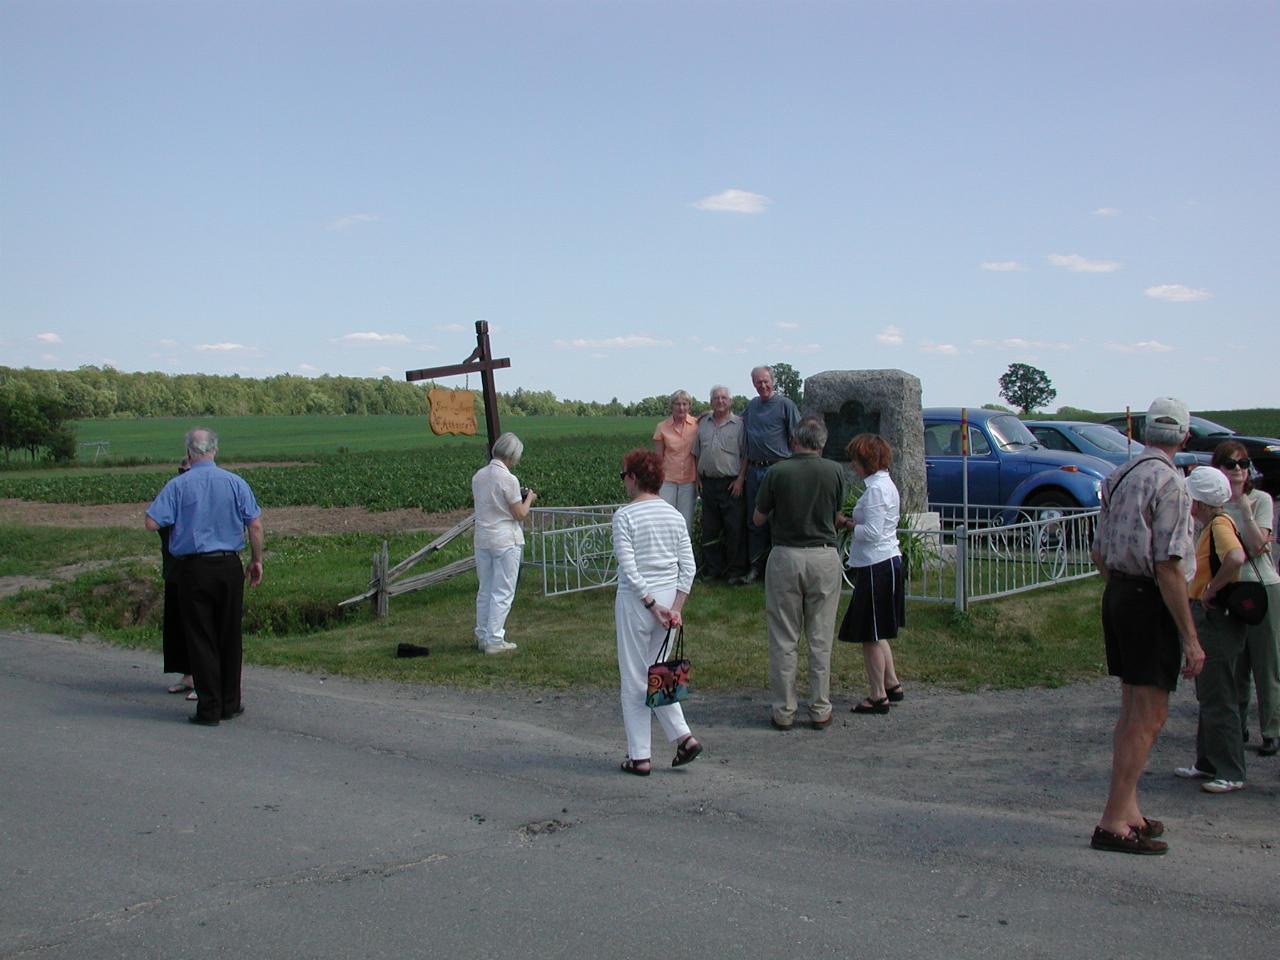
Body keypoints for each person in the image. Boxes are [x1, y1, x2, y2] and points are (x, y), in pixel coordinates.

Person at [1089, 397, 1203, 856]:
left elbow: (1098, 550)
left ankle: (1128, 808)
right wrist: (1191, 639)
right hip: (1147, 598)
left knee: (1132, 708)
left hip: (1117, 593)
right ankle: (1114, 819)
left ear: (1142, 433)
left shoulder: (1119, 476)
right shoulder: (1172, 485)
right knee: (1150, 715)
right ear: (1185, 438)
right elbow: (1169, 565)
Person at [145, 428, 264, 727]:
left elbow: (151, 522)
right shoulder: (235, 482)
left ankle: (208, 708)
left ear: (188, 453)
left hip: (193, 568)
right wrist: (256, 560)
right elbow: (256, 525)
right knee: (229, 635)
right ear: (215, 450)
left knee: (201, 637)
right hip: (229, 565)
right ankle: (230, 702)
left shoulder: (178, 485)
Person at [753, 416, 848, 731]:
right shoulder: (835, 471)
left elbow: (758, 518)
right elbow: (835, 515)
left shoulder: (777, 472)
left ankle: (784, 710)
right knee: (820, 637)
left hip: (785, 556)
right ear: (821, 442)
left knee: (784, 637)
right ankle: (820, 708)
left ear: (795, 440)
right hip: (823, 555)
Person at [612, 449, 701, 775]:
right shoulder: (674, 515)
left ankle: (640, 756)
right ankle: (683, 738)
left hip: (638, 602)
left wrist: (651, 605)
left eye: (624, 476)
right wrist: (674, 608)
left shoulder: (625, 516)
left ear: (634, 478)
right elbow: (688, 568)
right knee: (659, 674)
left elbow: (630, 567)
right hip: (668, 600)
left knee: (635, 678)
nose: (624, 482)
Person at [1173, 467, 1251, 793]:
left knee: (1219, 695)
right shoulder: (1215, 524)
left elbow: (1235, 557)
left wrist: (1211, 589)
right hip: (1213, 618)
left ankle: (1231, 770)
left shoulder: (1218, 525)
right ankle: (1207, 761)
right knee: (1209, 691)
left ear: (1201, 501)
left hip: (1215, 619)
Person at [1213, 441, 1280, 757]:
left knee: (1267, 663)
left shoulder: (1261, 500)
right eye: (1230, 464)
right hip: (1232, 591)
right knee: (1235, 666)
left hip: (1263, 586)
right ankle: (1236, 727)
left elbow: (1255, 547)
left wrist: (1244, 509)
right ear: (1219, 469)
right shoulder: (1214, 505)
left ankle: (1272, 730)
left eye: (1242, 464)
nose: (1237, 470)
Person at [837, 434, 906, 714]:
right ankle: (891, 682)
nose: (852, 464)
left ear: (866, 461)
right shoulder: (882, 484)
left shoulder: (877, 490)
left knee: (870, 634)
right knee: (879, 631)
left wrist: (849, 524)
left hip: (877, 564)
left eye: (855, 459)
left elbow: (874, 532)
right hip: (884, 562)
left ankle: (878, 695)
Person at [733, 366, 800, 584]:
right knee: (755, 520)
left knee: (779, 519)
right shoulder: (752, 406)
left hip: (778, 469)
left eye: (765, 381)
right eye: (757, 383)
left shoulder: (785, 405)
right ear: (753, 384)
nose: (762, 386)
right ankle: (755, 567)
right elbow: (736, 422)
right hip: (754, 470)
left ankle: (779, 570)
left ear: (773, 381)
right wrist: (708, 415)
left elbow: (797, 439)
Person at [471, 432, 536, 655]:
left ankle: (481, 634)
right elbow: (519, 513)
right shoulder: (509, 479)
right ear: (512, 456)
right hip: (505, 539)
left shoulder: (479, 476)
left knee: (485, 589)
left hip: (483, 538)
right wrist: (529, 498)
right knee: (503, 590)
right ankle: (495, 639)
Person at [692, 385, 747, 582]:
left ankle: (735, 571)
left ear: (730, 401)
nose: (720, 401)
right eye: (716, 398)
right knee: (710, 528)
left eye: (724, 398)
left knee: (734, 528)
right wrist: (697, 478)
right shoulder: (702, 424)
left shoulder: (740, 424)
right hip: (708, 483)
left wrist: (741, 479)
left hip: (731, 484)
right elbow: (696, 454)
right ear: (710, 402)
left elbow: (745, 455)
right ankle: (713, 570)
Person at [161, 456, 195, 700]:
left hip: (196, 569)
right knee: (178, 625)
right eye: (181, 470)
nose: (183, 475)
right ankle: (188, 674)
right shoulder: (173, 491)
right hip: (174, 567)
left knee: (198, 625)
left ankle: (204, 678)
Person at [653, 390, 698, 532]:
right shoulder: (662, 427)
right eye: (677, 404)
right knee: (665, 520)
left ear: (689, 406)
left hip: (689, 480)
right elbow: (658, 458)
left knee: (685, 522)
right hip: (668, 480)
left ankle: (684, 553)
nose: (681, 407)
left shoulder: (697, 425)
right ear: (671, 406)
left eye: (685, 404)